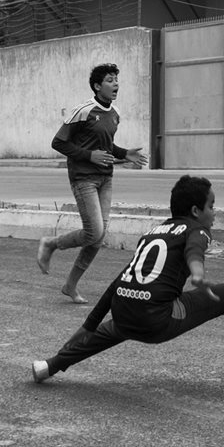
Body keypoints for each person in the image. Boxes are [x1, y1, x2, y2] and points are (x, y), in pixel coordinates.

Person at [31, 174, 224, 393]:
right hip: (157, 320)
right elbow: (194, 251)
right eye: (212, 206)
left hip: (125, 312)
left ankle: (49, 365)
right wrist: (197, 274)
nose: (215, 213)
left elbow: (120, 281)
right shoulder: (197, 229)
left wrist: (87, 327)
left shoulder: (153, 232)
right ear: (196, 210)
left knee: (123, 319)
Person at [36, 63, 148, 304]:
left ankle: (70, 285)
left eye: (116, 79)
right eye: (110, 80)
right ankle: (51, 244)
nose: (116, 84)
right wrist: (89, 156)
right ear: (98, 86)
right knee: (94, 231)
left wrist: (124, 153)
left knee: (98, 238)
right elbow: (58, 143)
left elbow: (106, 146)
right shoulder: (83, 110)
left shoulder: (115, 113)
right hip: (83, 177)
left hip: (106, 178)